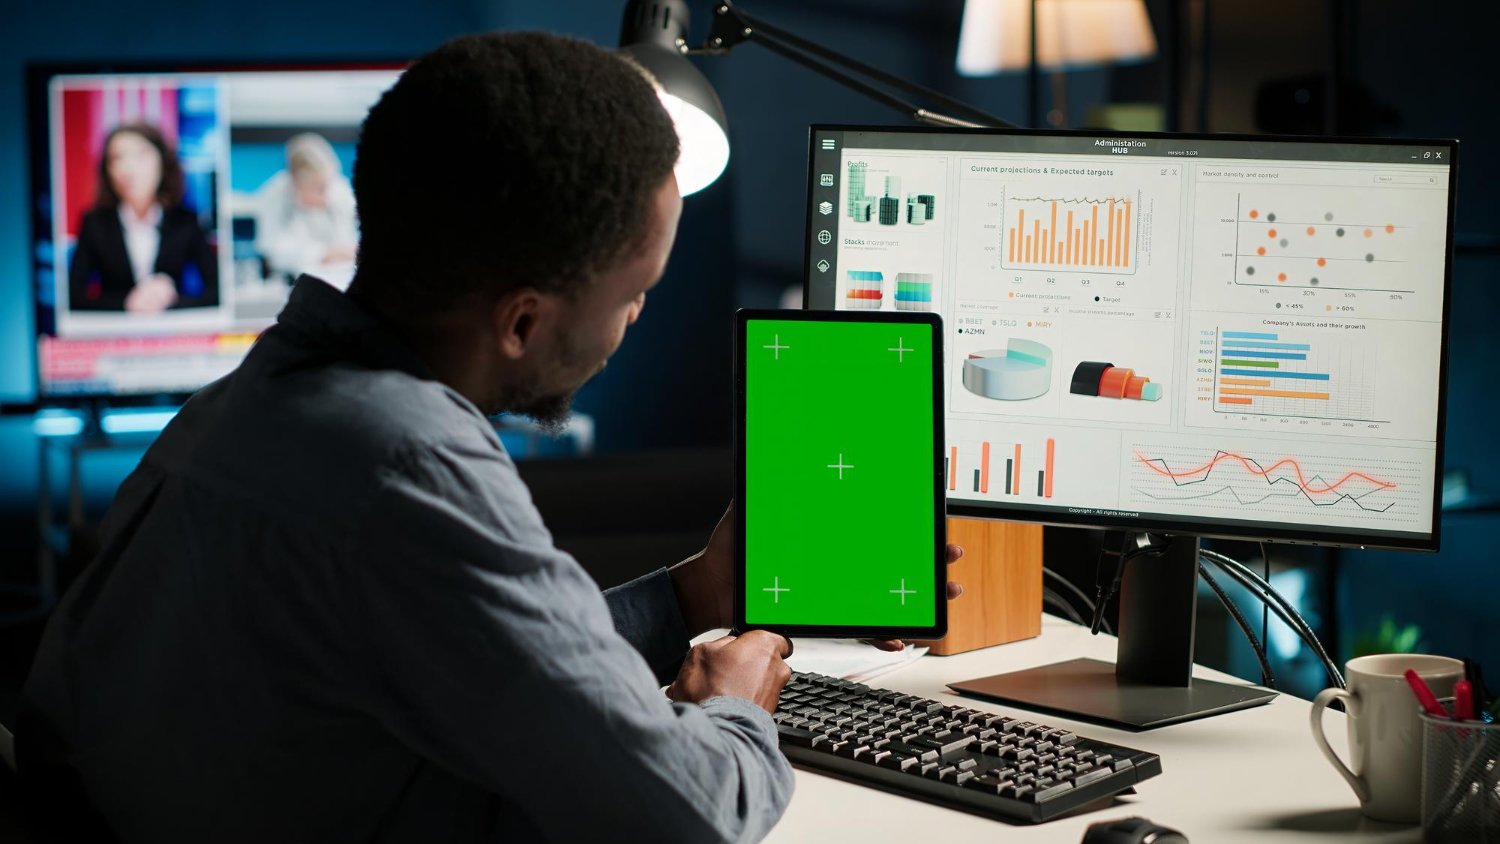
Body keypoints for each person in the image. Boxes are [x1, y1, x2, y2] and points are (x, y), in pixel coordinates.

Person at [18, 32, 962, 844]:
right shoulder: (408, 467)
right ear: (521, 321)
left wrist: (693, 593)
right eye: (634, 295)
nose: (633, 323)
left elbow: (498, 655)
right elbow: (689, 815)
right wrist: (734, 712)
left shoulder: (247, 403)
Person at [66, 122, 219, 313]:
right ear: (108, 170)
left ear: (162, 163)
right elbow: (73, 296)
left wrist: (169, 300)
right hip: (113, 336)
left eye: (141, 156)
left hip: (172, 334)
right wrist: (127, 303)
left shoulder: (186, 222)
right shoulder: (95, 223)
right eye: (117, 158)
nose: (128, 169)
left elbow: (217, 292)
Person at [253, 132, 359, 284]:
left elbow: (348, 243)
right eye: (318, 188)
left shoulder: (338, 188)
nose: (326, 195)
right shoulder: (274, 195)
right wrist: (323, 254)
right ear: (296, 184)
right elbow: (272, 249)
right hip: (293, 281)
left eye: (326, 185)